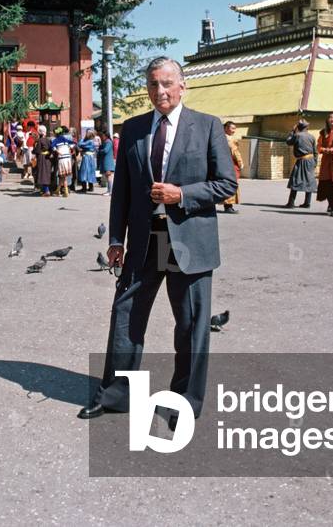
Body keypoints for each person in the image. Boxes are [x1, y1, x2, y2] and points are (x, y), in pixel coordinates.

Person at [79, 56, 237, 422]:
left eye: (167, 83)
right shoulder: (133, 128)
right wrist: (116, 239)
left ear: (182, 86)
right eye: (153, 84)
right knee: (126, 316)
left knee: (191, 324)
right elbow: (122, 191)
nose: (160, 90)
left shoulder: (207, 126)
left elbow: (226, 183)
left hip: (189, 240)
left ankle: (186, 401)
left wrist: (181, 194)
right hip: (145, 240)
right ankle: (116, 395)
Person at [285, 119, 317, 208]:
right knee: (309, 180)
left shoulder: (297, 135)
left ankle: (291, 203)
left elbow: (288, 142)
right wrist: (315, 162)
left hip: (302, 161)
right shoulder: (312, 137)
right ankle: (307, 203)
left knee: (295, 180)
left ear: (298, 127)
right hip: (310, 161)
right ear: (307, 127)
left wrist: (292, 131)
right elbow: (315, 151)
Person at [222, 121, 244, 213]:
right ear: (226, 128)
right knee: (230, 184)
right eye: (232, 128)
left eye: (235, 129)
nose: (234, 131)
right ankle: (228, 206)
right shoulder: (229, 140)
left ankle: (227, 206)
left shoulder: (219, 137)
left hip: (222, 164)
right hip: (230, 165)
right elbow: (235, 152)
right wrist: (240, 163)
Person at [52, 127, 76, 198]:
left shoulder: (55, 140)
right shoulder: (65, 139)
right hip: (68, 158)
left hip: (62, 158)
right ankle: (58, 190)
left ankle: (66, 191)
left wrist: (58, 152)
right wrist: (70, 149)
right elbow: (74, 144)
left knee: (63, 176)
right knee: (62, 176)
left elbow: (53, 147)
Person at [33, 125, 54, 197]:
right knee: (47, 174)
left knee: (43, 174)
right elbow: (51, 149)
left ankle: (46, 191)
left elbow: (37, 150)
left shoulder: (40, 140)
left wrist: (33, 151)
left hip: (42, 158)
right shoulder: (48, 140)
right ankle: (46, 190)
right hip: (48, 158)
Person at [98, 131, 115, 195]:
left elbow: (105, 150)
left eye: (103, 135)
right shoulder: (106, 142)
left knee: (109, 177)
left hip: (108, 162)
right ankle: (109, 191)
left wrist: (99, 151)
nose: (102, 137)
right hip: (106, 162)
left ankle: (110, 191)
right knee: (108, 177)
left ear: (106, 136)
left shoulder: (108, 142)